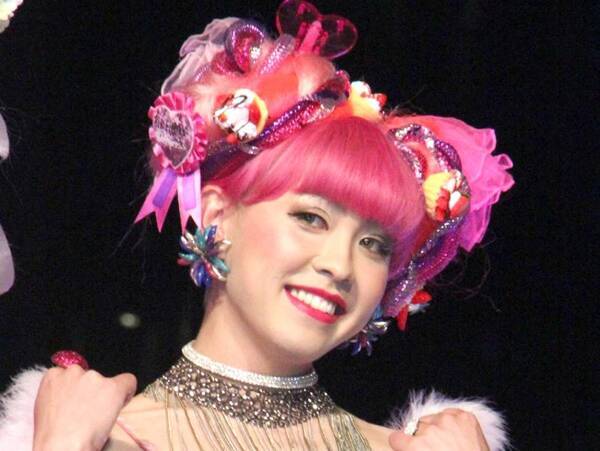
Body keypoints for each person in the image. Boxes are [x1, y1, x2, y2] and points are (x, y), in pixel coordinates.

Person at [0, 1, 514, 450]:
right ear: (217, 215)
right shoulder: (95, 436)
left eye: (374, 244)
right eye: (310, 218)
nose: (341, 266)